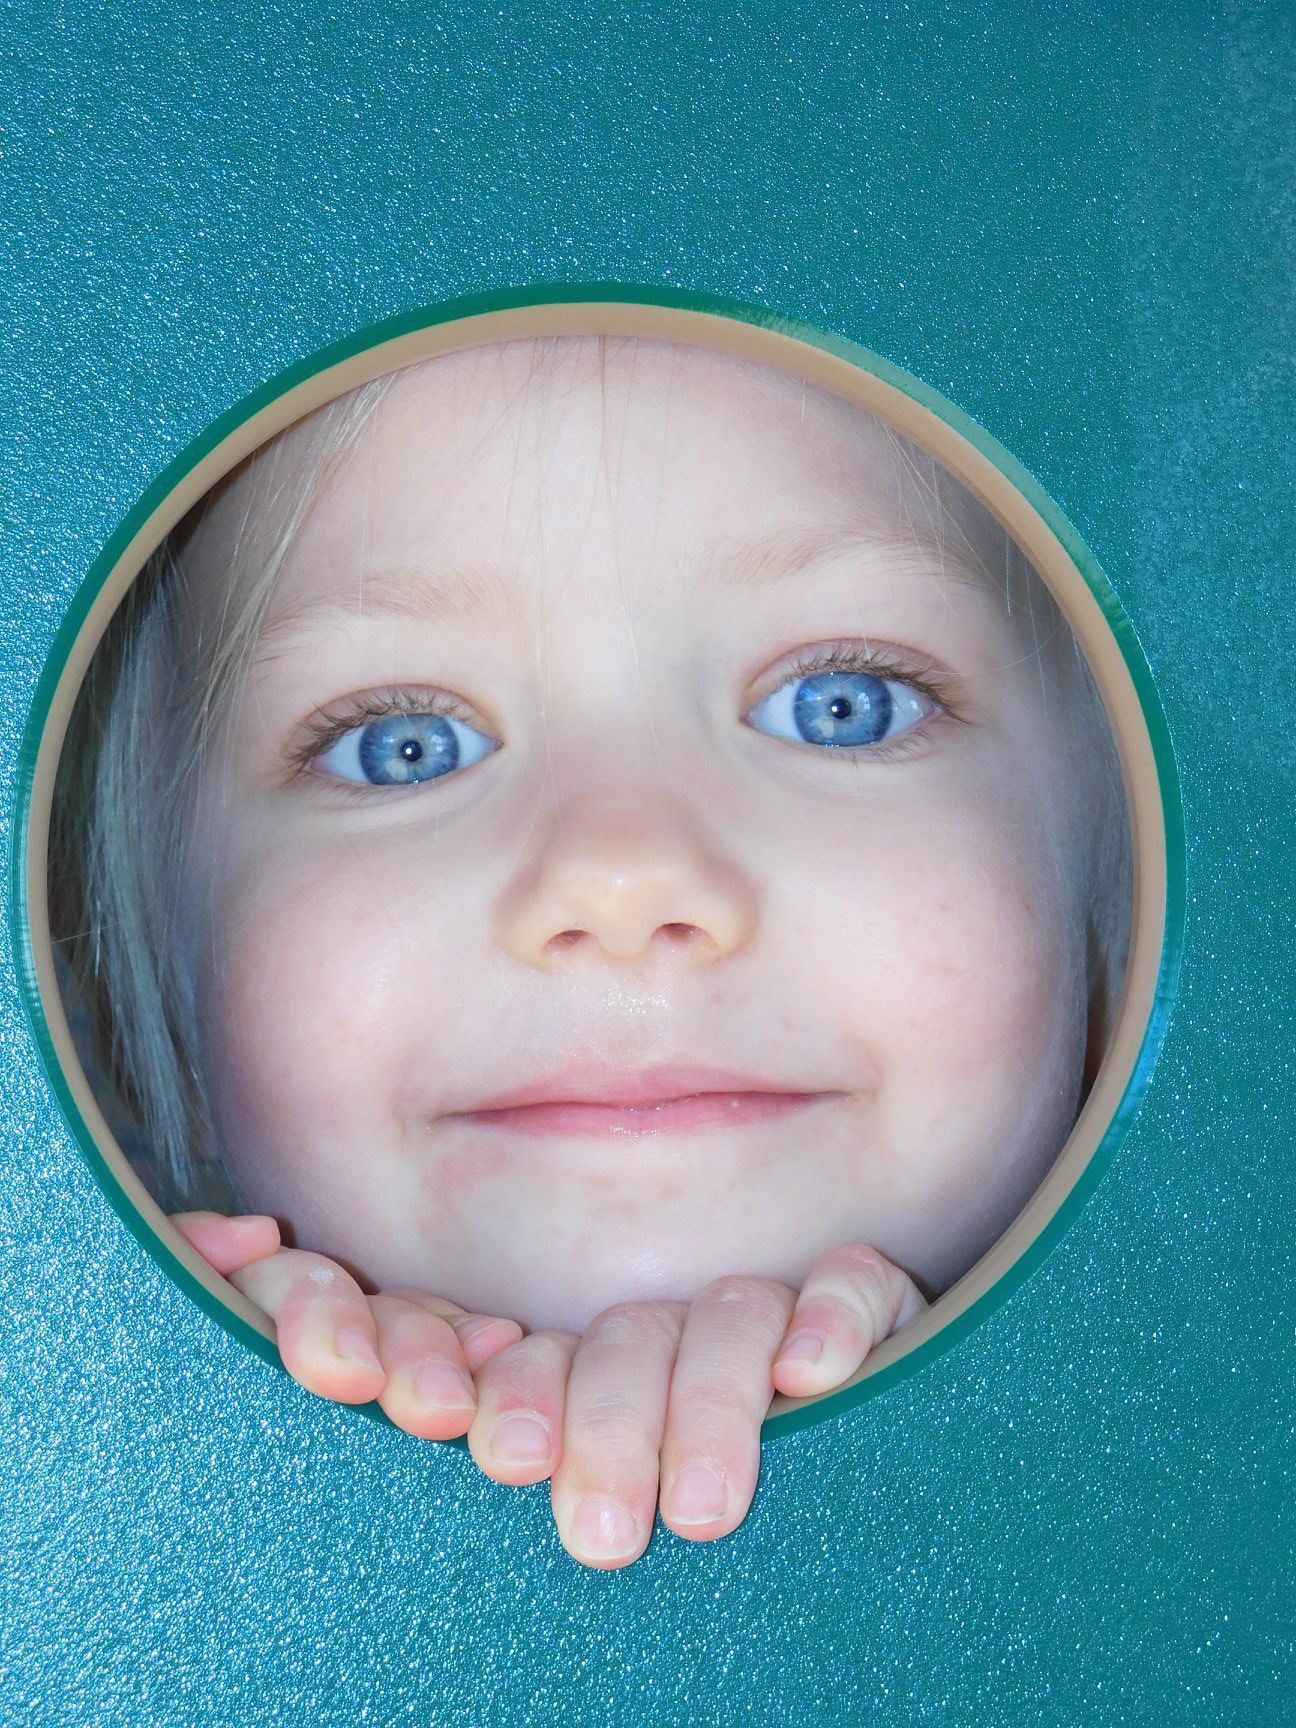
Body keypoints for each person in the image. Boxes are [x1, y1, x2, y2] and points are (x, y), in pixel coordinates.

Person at [49, 333, 1131, 1569]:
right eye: (404, 745)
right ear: (171, 968)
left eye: (840, 705)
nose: (621, 879)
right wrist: (174, 1461)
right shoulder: (112, 1487)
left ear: (1113, 873)